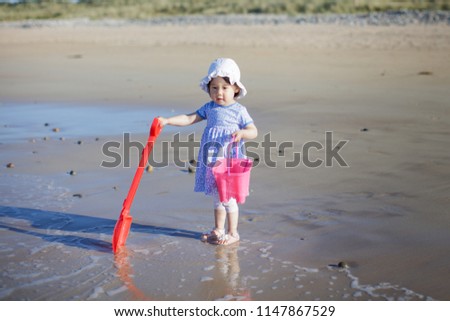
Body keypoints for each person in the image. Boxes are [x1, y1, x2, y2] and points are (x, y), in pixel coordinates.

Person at [158, 58, 258, 245]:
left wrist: (243, 132)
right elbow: (189, 118)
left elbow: (254, 131)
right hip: (212, 158)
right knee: (216, 196)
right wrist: (168, 121)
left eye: (224, 88)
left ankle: (233, 233)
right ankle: (219, 230)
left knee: (228, 197)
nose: (219, 92)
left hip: (229, 160)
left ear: (235, 88)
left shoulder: (239, 111)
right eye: (214, 88)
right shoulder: (209, 108)